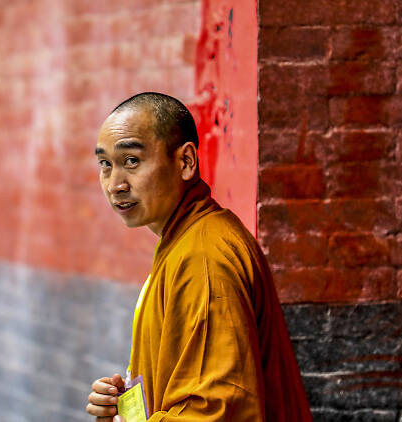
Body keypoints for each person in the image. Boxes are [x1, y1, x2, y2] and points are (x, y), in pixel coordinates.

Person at [86, 92, 312, 421]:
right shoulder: (185, 242)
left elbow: (218, 409)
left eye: (131, 161)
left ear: (186, 162)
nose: (115, 184)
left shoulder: (204, 257)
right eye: (105, 165)